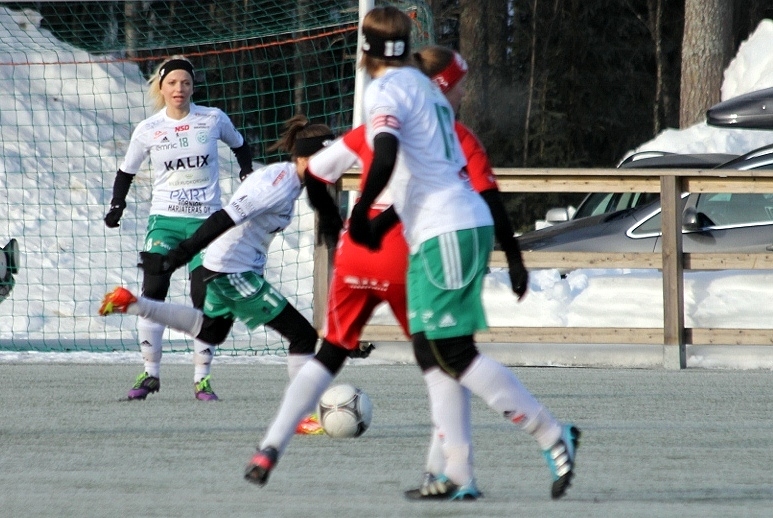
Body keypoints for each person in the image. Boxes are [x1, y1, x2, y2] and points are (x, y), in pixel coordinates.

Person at [244, 7, 579, 501]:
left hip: (446, 229)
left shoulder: (386, 91)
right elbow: (420, 172)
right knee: (432, 353)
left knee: (454, 355)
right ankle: (456, 474)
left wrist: (359, 217)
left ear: (363, 51)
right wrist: (379, 222)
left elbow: (381, 156)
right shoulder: (424, 91)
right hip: (441, 230)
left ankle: (551, 434)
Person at [99, 116, 334, 428]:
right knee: (302, 335)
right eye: (325, 160)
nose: (332, 167)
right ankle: (302, 417)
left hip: (225, 266)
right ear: (303, 158)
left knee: (211, 332)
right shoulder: (278, 185)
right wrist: (177, 257)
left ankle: (132, 303)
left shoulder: (287, 178)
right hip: (233, 271)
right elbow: (223, 218)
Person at [103, 55, 254, 401]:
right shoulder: (149, 128)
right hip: (165, 221)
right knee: (153, 289)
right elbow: (126, 171)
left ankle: (202, 379)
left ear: (193, 86)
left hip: (207, 224)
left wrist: (246, 172)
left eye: (185, 82)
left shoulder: (212, 118)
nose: (179, 89)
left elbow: (240, 144)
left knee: (205, 297)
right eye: (172, 82)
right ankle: (150, 373)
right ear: (162, 86)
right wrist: (117, 204)